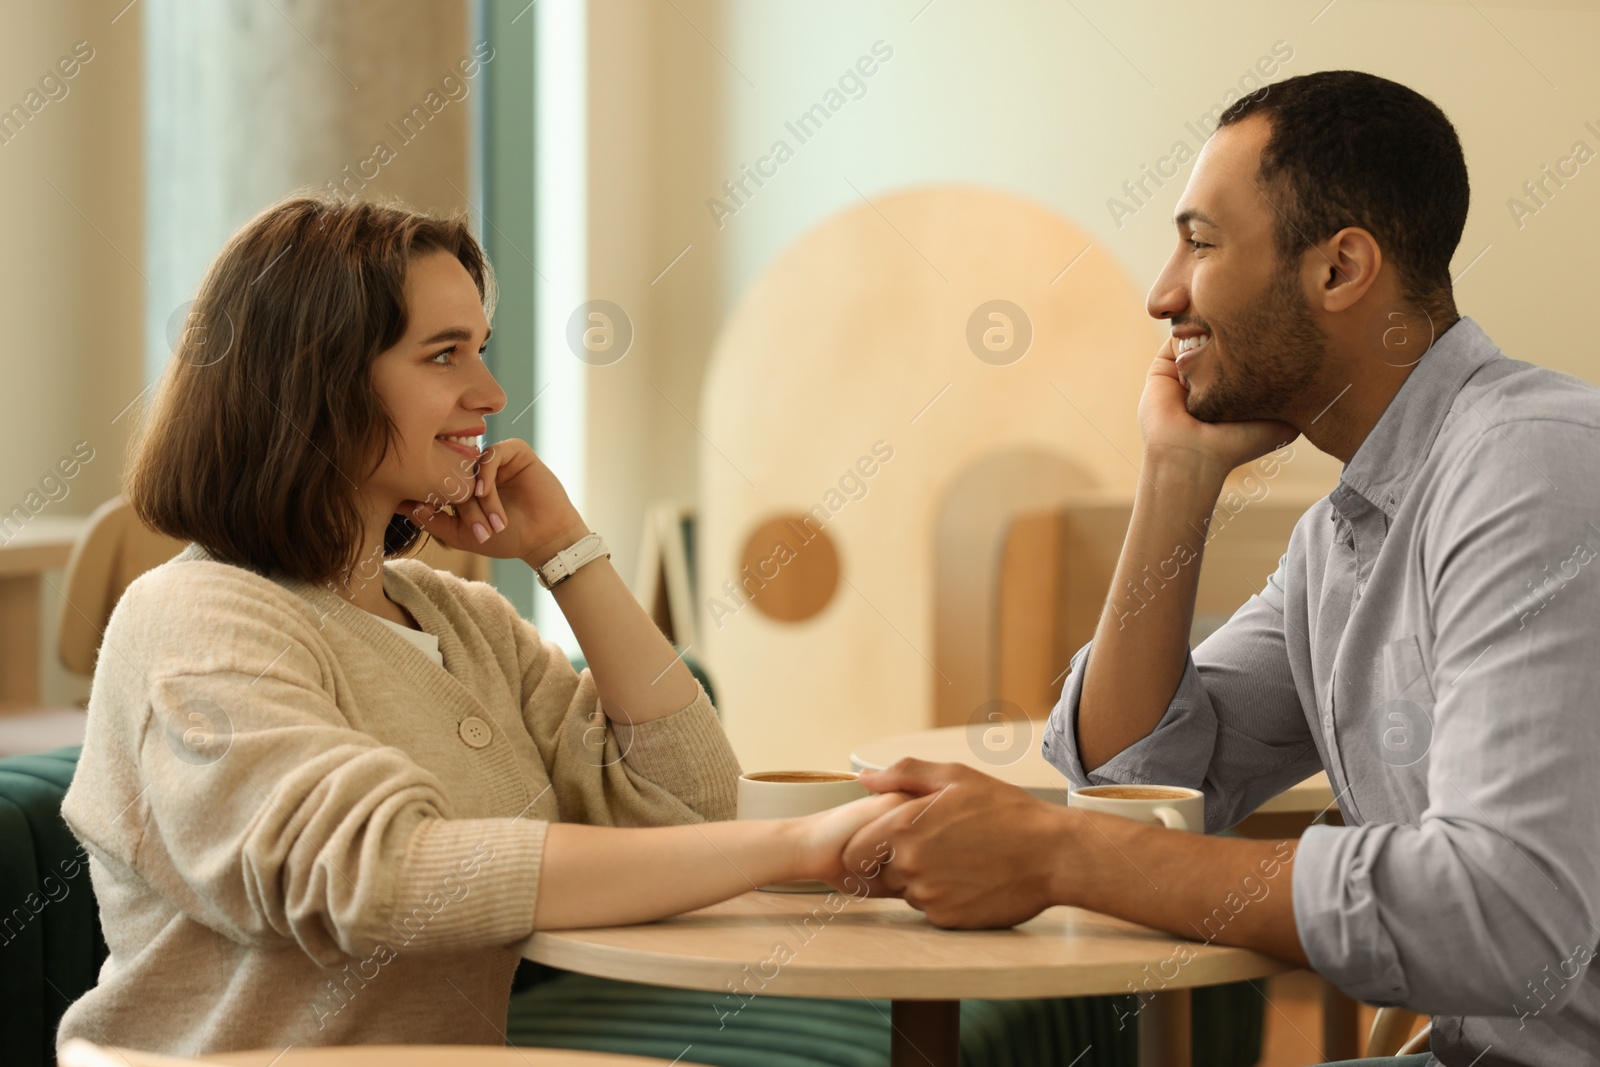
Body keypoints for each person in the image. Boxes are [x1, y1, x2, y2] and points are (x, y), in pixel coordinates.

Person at [842, 70, 1600, 1066]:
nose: (1163, 293)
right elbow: (1134, 779)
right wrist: (1175, 474)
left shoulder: (1530, 466)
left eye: (1199, 243)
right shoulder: (1346, 533)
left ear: (1339, 271)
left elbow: (1503, 918)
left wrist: (1062, 852)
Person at [57, 196, 908, 1055]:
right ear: (319, 382)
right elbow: (379, 877)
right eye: (443, 355)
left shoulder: (460, 620)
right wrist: (798, 847)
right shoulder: (193, 618)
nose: (491, 393)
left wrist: (568, 553)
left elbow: (691, 809)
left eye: (481, 350)